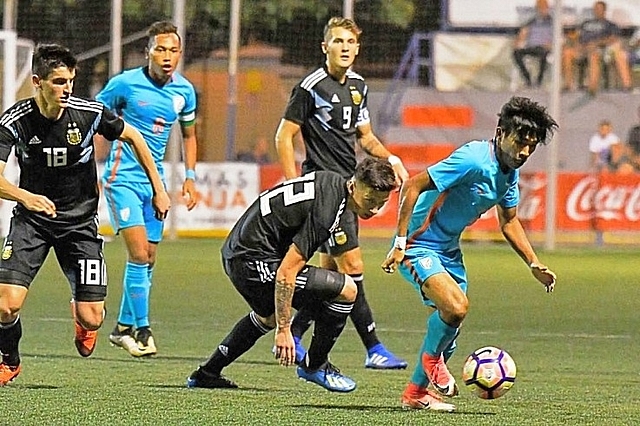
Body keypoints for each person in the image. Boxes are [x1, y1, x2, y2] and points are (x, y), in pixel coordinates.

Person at [0, 44, 170, 386]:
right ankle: (9, 358)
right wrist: (26, 197)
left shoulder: (89, 113)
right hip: (32, 223)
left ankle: (83, 318)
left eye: (71, 81)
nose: (67, 89)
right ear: (38, 81)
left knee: (93, 318)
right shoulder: (14, 121)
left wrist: (159, 188)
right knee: (6, 305)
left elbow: (134, 137)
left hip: (79, 225)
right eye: (59, 82)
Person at [381, 96, 558, 412]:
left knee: (450, 325)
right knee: (456, 308)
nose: (524, 152)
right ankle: (431, 361)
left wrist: (533, 262)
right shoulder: (474, 159)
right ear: (501, 132)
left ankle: (415, 393)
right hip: (418, 245)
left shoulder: (509, 173)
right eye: (520, 142)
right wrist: (399, 242)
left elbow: (510, 221)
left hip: (448, 251)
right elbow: (413, 186)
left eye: (531, 147)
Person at [187, 157, 397, 392]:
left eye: (382, 203)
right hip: (252, 260)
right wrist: (285, 331)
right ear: (354, 185)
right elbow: (287, 272)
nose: (375, 209)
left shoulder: (333, 182)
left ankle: (207, 373)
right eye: (370, 200)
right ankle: (315, 366)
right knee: (347, 290)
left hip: (239, 252)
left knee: (271, 315)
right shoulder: (326, 212)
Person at [274, 16, 410, 370]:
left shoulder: (359, 86)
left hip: (351, 190)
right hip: (324, 192)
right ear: (325, 47)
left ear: (357, 48)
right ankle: (374, 347)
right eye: (338, 41)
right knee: (353, 265)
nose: (345, 48)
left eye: (350, 42)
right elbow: (284, 136)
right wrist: (292, 182)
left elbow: (365, 137)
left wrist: (390, 156)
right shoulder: (310, 86)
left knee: (331, 275)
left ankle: (298, 333)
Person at [97, 21, 199, 357]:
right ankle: (142, 329)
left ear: (180, 54)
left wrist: (190, 177)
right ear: (148, 52)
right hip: (122, 178)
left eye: (173, 50)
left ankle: (122, 327)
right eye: (160, 49)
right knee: (139, 253)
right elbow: (91, 117)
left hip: (155, 184)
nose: (167, 56)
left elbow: (189, 136)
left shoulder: (183, 92)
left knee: (150, 258)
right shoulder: (124, 84)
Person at [561, 1, 632, 95]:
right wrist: (577, 44)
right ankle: (568, 84)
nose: (597, 11)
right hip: (583, 48)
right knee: (567, 52)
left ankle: (592, 88)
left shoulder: (609, 25)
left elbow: (614, 38)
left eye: (599, 9)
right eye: (596, 8)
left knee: (594, 54)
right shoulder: (586, 23)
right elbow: (577, 36)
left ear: (604, 10)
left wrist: (597, 43)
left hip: (601, 49)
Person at [512, 0, 553, 88]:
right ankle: (527, 79)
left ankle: (539, 81)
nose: (542, 9)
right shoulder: (532, 21)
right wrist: (519, 41)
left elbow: (557, 37)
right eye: (539, 7)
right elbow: (523, 32)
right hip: (531, 47)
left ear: (547, 8)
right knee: (516, 53)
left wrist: (550, 44)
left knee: (544, 54)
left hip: (545, 48)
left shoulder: (552, 22)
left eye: (544, 7)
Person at [625, 105, 640, 171]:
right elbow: (629, 149)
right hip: (635, 161)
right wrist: (634, 159)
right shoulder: (634, 131)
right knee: (625, 169)